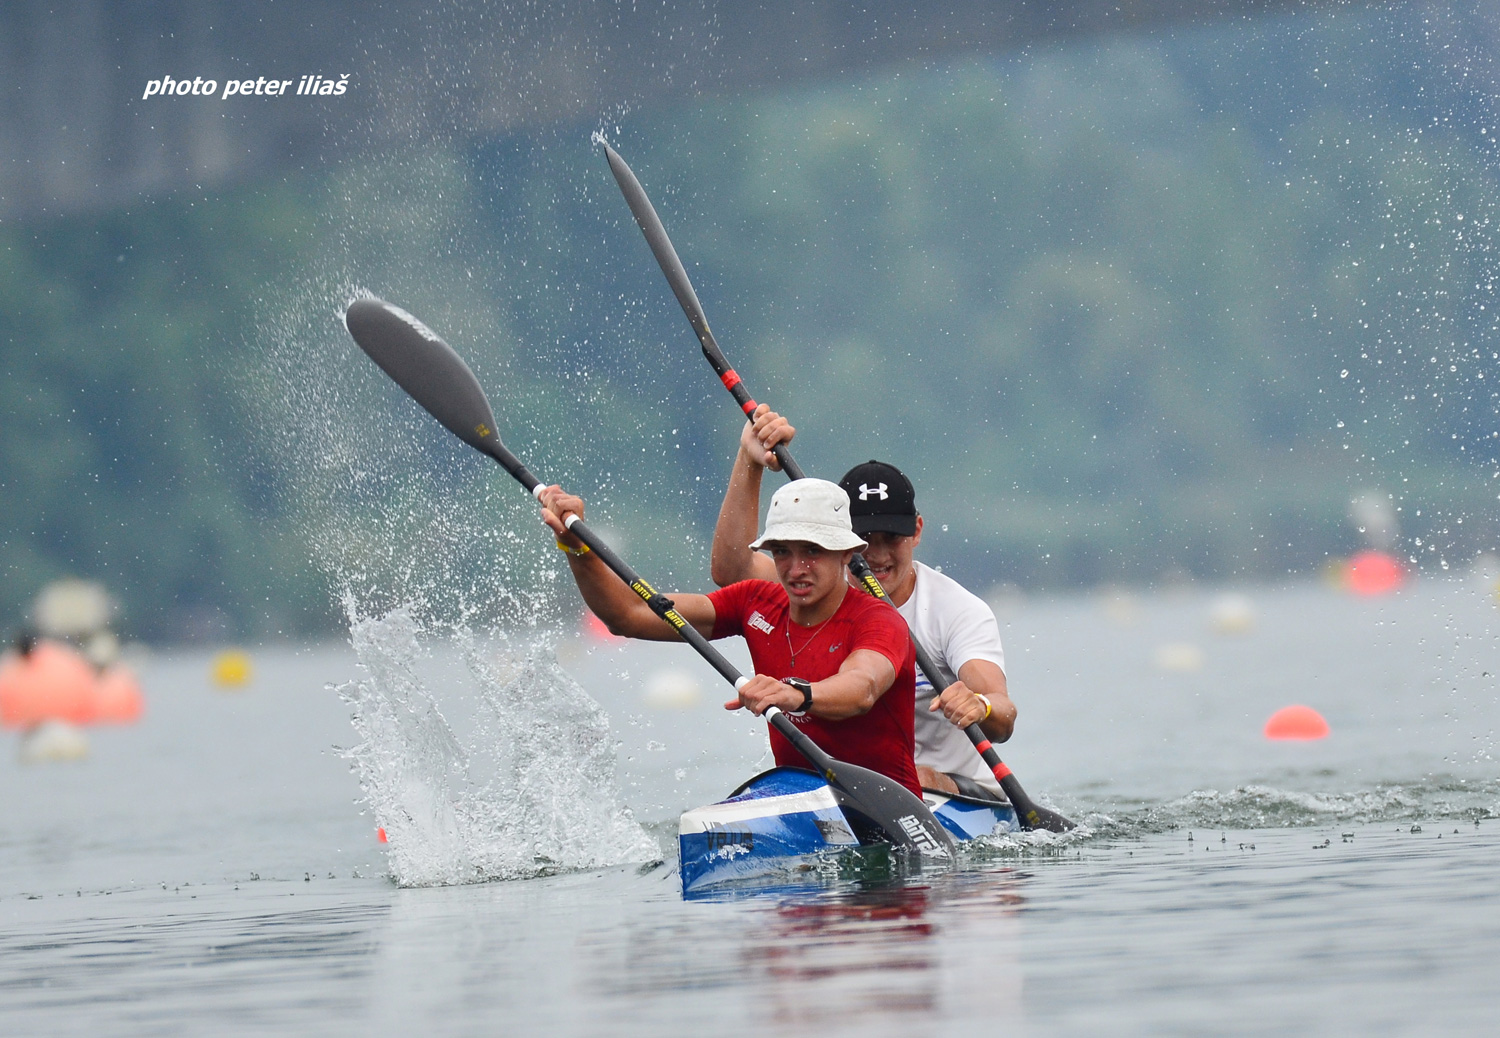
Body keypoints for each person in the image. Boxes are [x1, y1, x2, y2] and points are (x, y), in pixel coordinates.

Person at [538, 477, 923, 798]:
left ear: (847, 553)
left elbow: (863, 688)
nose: (795, 568)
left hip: (888, 802)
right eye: (782, 552)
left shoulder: (880, 620)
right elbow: (628, 615)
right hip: (801, 798)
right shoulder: (752, 602)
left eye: (812, 551)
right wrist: (579, 551)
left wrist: (798, 694)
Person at [710, 405, 1017, 799]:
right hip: (847, 784)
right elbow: (731, 568)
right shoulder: (815, 585)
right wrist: (749, 462)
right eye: (865, 538)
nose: (877, 554)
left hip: (950, 791)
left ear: (917, 531)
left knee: (908, 776)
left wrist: (981, 707)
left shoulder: (956, 611)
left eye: (892, 538)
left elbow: (1003, 716)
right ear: (840, 541)